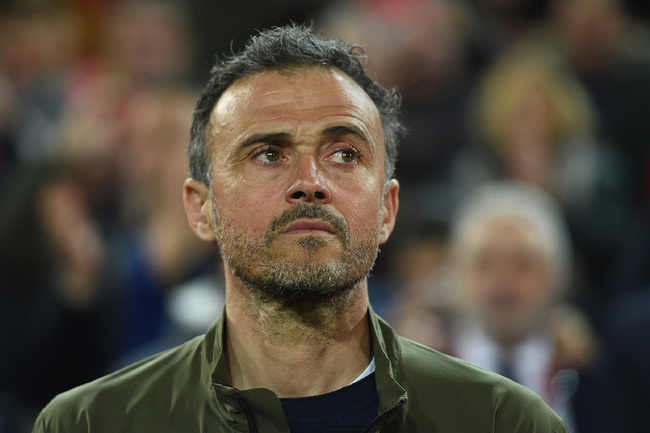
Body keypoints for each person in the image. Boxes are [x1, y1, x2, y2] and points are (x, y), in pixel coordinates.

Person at [32, 24, 567, 433]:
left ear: (387, 209)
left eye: (343, 153)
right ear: (202, 209)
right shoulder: (92, 423)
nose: (310, 182)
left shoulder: (505, 422)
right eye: (268, 154)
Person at [447, 181, 597, 431]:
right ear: (457, 276)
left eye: (523, 263)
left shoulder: (588, 375)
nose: (504, 280)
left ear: (556, 277)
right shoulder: (416, 378)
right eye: (486, 261)